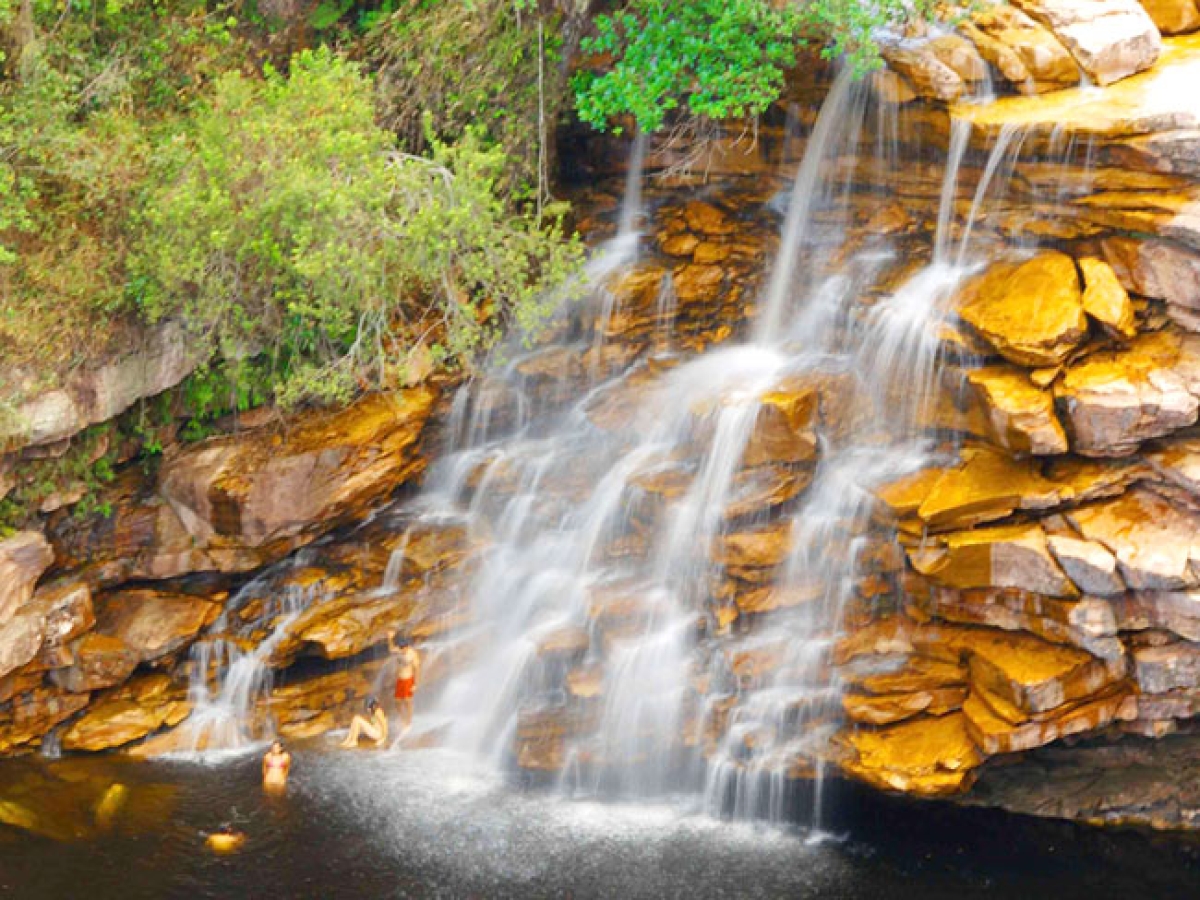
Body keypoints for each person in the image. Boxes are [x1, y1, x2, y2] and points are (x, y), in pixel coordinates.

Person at [388, 631, 421, 739]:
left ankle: (409, 722)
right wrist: (390, 638)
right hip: (400, 679)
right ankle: (403, 720)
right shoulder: (398, 651)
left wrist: (415, 684)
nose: (402, 650)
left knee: (407, 700)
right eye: (400, 648)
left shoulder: (412, 654)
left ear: (407, 646)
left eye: (403, 648)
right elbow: (391, 649)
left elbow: (417, 670)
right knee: (397, 702)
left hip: (408, 679)